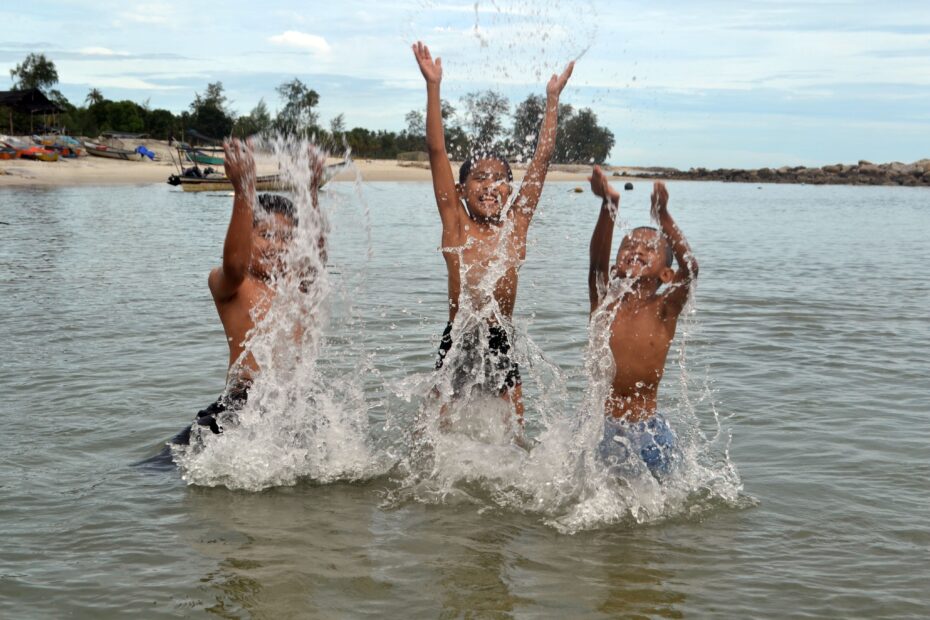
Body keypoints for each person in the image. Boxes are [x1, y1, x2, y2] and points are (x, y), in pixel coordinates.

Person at [411, 41, 574, 427]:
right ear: (462, 190)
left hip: (501, 341)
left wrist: (552, 100)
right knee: (437, 433)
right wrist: (433, 86)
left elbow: (542, 159)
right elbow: (437, 152)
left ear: (510, 189)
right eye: (479, 178)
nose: (490, 185)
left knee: (513, 435)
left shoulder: (514, 226)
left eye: (500, 178)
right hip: (459, 339)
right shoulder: (456, 224)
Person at [171, 138, 326, 446]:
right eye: (266, 235)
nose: (278, 246)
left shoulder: (297, 283)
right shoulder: (232, 283)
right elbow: (235, 261)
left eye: (287, 238)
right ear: (247, 236)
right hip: (242, 402)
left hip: (292, 403)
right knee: (162, 467)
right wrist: (243, 188)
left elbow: (317, 256)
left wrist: (310, 189)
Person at [587, 166, 698, 477]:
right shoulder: (604, 302)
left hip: (647, 429)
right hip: (601, 426)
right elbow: (596, 261)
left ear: (666, 275)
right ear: (615, 267)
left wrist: (663, 216)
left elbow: (691, 268)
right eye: (628, 246)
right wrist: (608, 205)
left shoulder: (665, 310)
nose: (635, 249)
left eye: (649, 248)